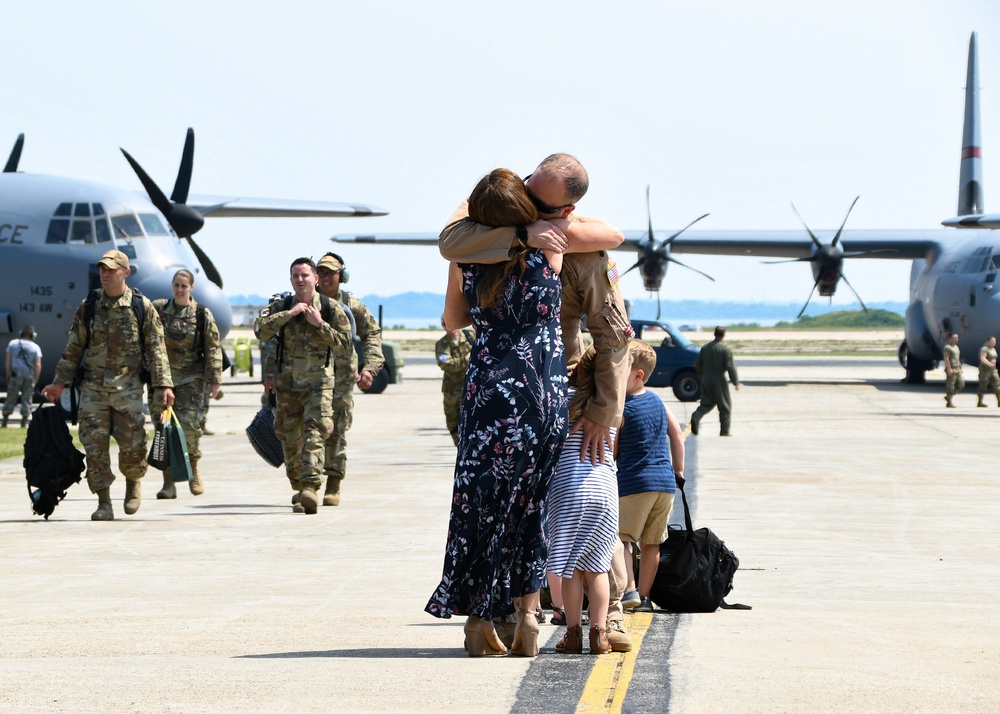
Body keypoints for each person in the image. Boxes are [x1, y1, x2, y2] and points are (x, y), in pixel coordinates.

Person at [439, 153, 634, 652]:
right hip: (539, 395)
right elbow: (450, 238)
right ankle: (511, 614)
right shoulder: (491, 236)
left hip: (574, 403)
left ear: (564, 212)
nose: (525, 199)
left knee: (588, 504)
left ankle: (607, 614)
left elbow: (614, 337)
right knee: (520, 509)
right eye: (523, 187)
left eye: (537, 199)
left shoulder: (580, 252)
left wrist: (603, 413)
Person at [425, 168, 568, 658]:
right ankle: (528, 620)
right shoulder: (551, 247)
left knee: (479, 506)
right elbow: (609, 231)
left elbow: (453, 320)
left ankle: (478, 622)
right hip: (542, 391)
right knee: (531, 508)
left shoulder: (466, 255)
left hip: (489, 392)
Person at [41, 249, 174, 521]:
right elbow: (74, 347)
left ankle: (133, 483)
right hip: (93, 390)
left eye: (111, 269)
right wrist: (59, 383)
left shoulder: (142, 306)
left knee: (134, 446)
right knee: (94, 447)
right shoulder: (88, 306)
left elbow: (157, 348)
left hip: (128, 389)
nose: (105, 273)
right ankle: (103, 503)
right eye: (102, 269)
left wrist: (163, 386)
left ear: (126, 272)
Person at [255, 258, 353, 514]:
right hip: (287, 387)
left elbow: (345, 344)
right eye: (296, 276)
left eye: (305, 275)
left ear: (315, 279)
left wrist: (320, 324)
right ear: (291, 280)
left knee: (314, 433)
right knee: (289, 440)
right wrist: (288, 315)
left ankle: (311, 488)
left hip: (318, 386)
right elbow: (260, 330)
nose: (301, 280)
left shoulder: (331, 309)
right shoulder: (281, 307)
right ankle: (299, 485)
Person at [615, 340, 684, 614]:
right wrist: (678, 472)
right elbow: (677, 433)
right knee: (652, 542)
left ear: (638, 374)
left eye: (622, 370)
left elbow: (615, 447)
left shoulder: (623, 407)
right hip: (665, 484)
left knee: (621, 539)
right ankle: (645, 597)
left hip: (635, 482)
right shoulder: (657, 400)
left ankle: (629, 589)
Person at [315, 252, 385, 506]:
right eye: (320, 272)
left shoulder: (352, 306)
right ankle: (307, 482)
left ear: (341, 276)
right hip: (308, 377)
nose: (324, 278)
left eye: (330, 273)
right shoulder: (305, 301)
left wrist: (371, 367)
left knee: (337, 430)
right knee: (305, 430)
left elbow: (372, 334)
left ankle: (333, 483)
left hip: (342, 378)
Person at [149, 269, 223, 499]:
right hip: (162, 381)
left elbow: (213, 347)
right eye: (176, 285)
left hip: (191, 380)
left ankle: (193, 470)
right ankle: (168, 483)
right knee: (164, 431)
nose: (179, 290)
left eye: (184, 286)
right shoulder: (159, 309)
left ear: (191, 288)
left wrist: (215, 379)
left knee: (190, 430)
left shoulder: (202, 314)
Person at [690, 326, 741, 436]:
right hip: (719, 379)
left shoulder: (705, 348)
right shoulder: (725, 349)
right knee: (724, 406)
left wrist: (704, 376)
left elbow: (698, 365)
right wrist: (735, 382)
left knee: (706, 403)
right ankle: (724, 431)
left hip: (706, 378)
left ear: (714, 334)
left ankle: (696, 416)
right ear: (723, 335)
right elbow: (730, 366)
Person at [434, 318, 475, 446]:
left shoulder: (470, 336)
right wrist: (468, 359)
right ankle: (461, 448)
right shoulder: (442, 344)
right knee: (453, 422)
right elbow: (446, 364)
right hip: (452, 391)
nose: (450, 326)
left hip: (472, 388)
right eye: (445, 324)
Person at [3, 325, 42, 428]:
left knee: (11, 397)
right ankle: (23, 423)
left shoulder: (13, 344)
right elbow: (37, 365)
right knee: (27, 398)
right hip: (28, 375)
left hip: (15, 374)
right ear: (32, 335)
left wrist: (8, 374)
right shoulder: (35, 347)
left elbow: (7, 360)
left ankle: (5, 421)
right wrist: (36, 379)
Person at [977, 336, 1000, 407]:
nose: (994, 343)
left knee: (997, 385)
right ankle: (980, 402)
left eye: (995, 341)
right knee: (983, 386)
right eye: (992, 341)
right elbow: (983, 358)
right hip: (985, 370)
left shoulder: (993, 349)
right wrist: (990, 364)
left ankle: (999, 401)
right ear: (988, 341)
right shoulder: (985, 349)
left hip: (993, 371)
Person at [943, 331, 964, 408]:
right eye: (955, 338)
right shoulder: (947, 347)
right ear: (950, 339)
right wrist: (949, 369)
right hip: (951, 368)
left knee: (961, 384)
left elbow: (957, 358)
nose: (956, 339)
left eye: (957, 338)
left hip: (957, 368)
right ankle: (949, 402)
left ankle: (949, 397)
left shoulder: (956, 347)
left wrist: (960, 367)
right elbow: (946, 358)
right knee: (951, 386)